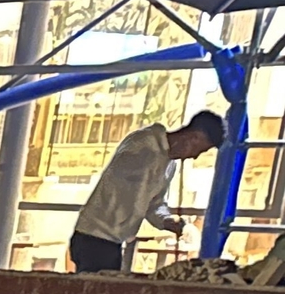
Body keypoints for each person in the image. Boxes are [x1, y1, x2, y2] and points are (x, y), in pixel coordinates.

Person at [68, 110, 224, 273]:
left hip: (113, 240)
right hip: (93, 236)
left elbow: (155, 202)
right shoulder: (142, 142)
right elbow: (130, 186)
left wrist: (166, 221)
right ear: (194, 138)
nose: (194, 157)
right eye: (199, 150)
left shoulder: (169, 164)